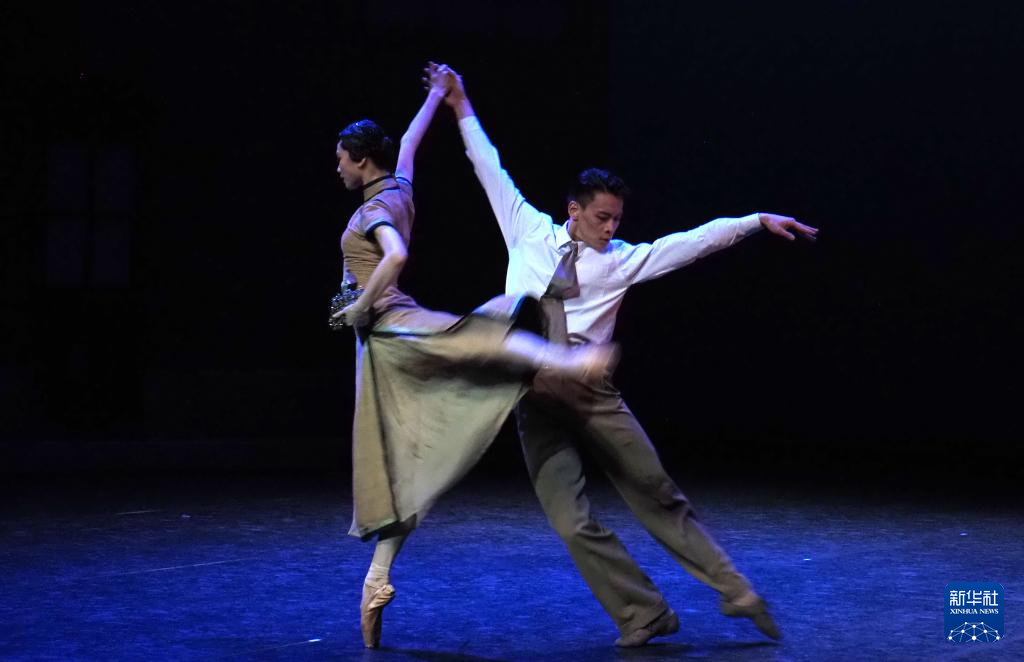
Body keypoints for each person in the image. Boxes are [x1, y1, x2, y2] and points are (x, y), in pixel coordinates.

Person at [438, 64, 818, 647]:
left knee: (655, 491)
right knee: (569, 521)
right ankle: (643, 612)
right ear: (573, 210)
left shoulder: (619, 261)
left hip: (593, 395)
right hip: (533, 396)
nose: (611, 227)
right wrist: (460, 102)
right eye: (602, 217)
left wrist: (754, 222)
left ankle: (734, 587)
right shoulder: (526, 231)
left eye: (617, 218)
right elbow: (488, 164)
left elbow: (689, 244)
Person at [332, 67, 617, 649]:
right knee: (396, 460)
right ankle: (376, 579)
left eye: (340, 158)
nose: (336, 166)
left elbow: (394, 256)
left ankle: (568, 362)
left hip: (389, 327)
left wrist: (360, 306)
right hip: (379, 350)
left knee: (477, 335)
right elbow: (408, 143)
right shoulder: (397, 186)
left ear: (360, 159)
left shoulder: (373, 211)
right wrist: (437, 96)